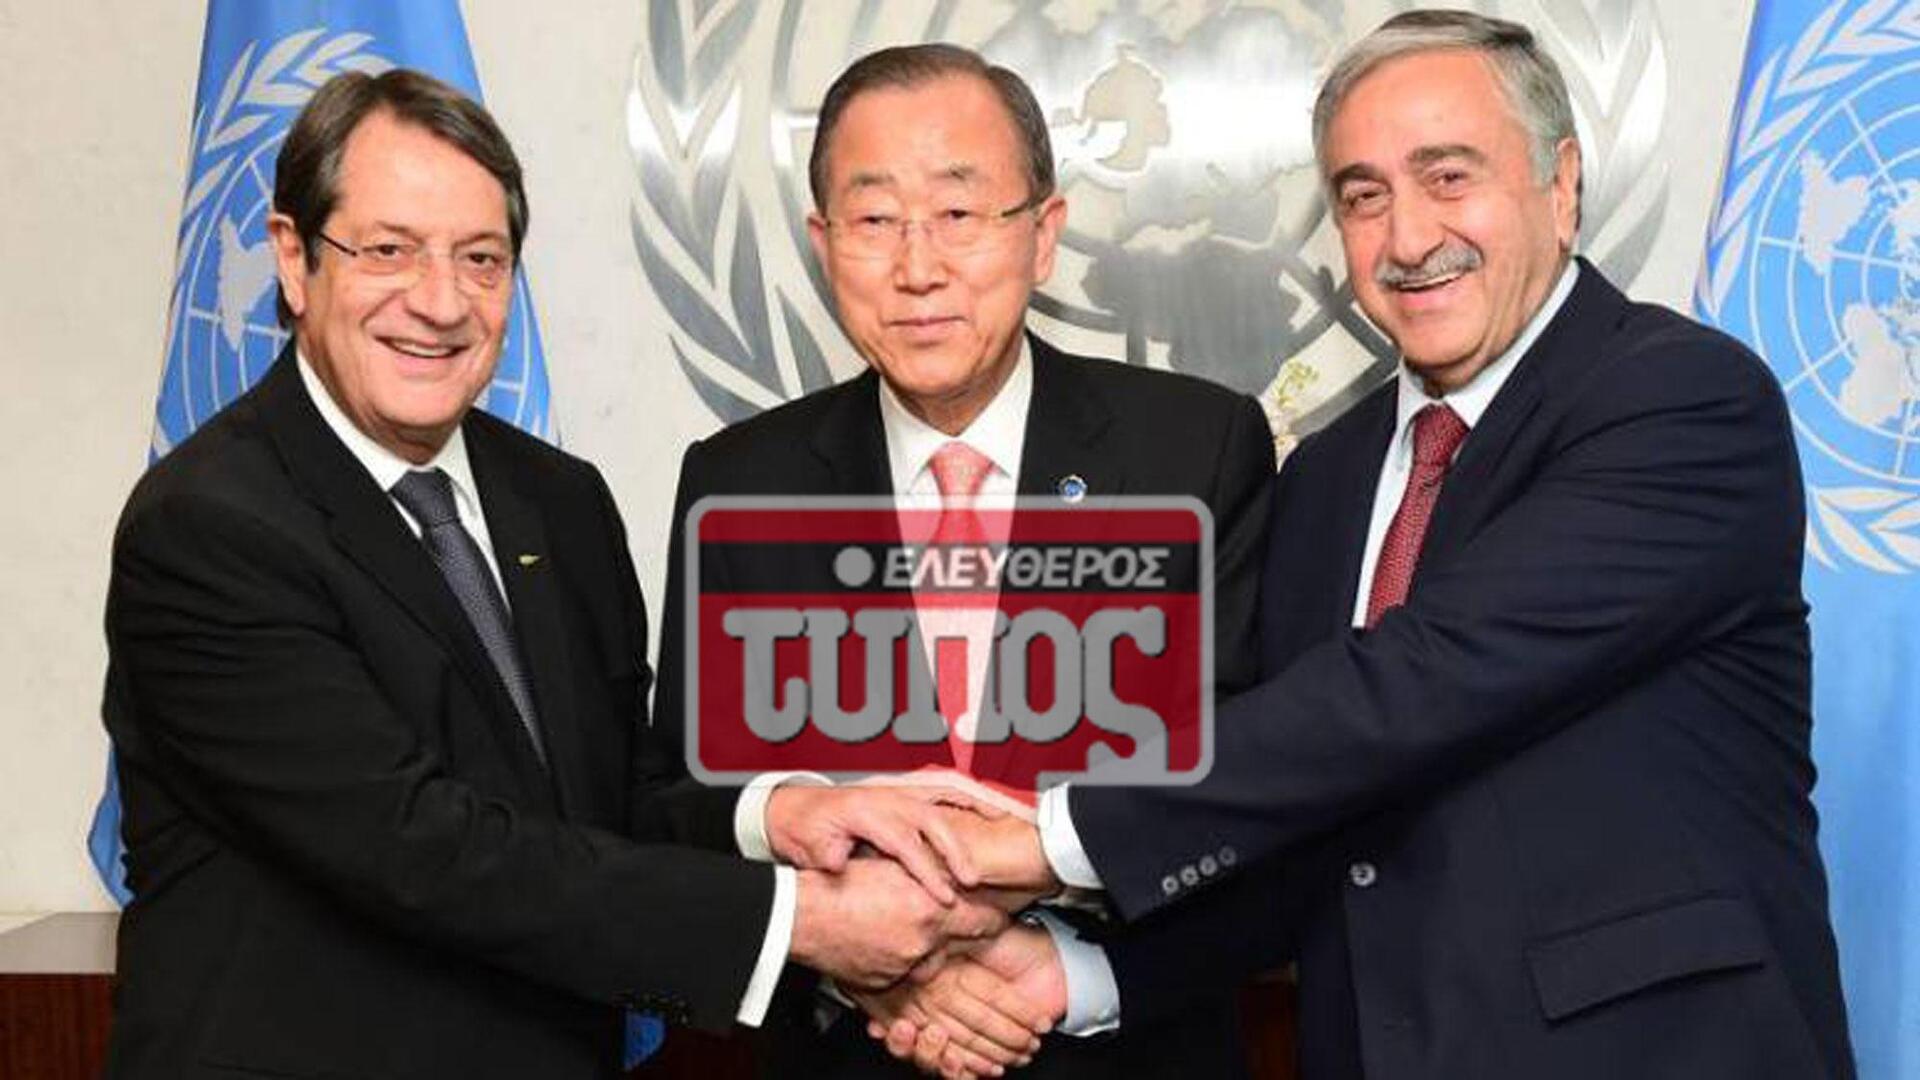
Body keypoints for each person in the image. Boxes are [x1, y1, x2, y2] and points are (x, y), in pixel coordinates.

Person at [911, 11, 1857, 1079]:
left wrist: (1048, 836)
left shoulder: (1681, 401)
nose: (1407, 239)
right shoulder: (1328, 477)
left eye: (1449, 177)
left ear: (1561, 184)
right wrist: (1080, 977)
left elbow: (1421, 681)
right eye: (1364, 196)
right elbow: (1313, 809)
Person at [99, 68, 1003, 1080]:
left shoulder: (558, 501)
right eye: (388, 250)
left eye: (480, 259)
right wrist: (801, 921)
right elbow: (420, 848)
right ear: (293, 259)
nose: (440, 302)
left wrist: (784, 814)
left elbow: (615, 800)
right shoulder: (208, 528)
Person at [651, 43, 1275, 1079]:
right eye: (875, 219)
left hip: (1129, 1048)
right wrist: (859, 946)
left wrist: (1044, 946)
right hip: (850, 1054)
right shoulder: (740, 481)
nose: (918, 267)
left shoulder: (1194, 451)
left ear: (1043, 234)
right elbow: (681, 799)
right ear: (823, 243)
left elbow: (1244, 772)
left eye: (957, 211)